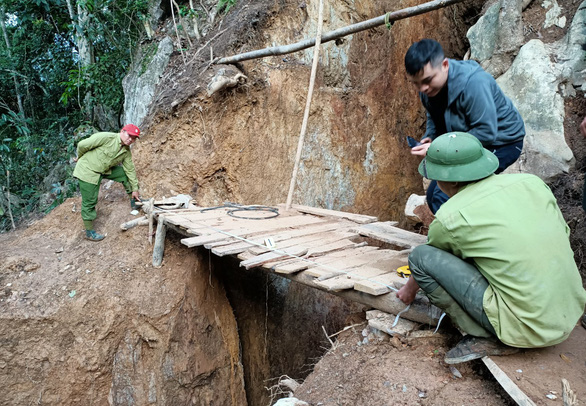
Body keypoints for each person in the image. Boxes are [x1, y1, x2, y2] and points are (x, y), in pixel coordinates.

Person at [396, 132, 586, 364]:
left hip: (527, 328)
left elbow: (428, 261)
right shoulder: (531, 182)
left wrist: (408, 291)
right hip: (569, 310)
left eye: (436, 176)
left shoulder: (450, 216)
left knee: (420, 257)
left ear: (452, 179)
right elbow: (562, 233)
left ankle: (488, 335)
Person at [405, 39, 525, 213]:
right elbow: (433, 114)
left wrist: (439, 148)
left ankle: (468, 235)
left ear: (445, 65)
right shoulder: (429, 89)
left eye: (427, 80)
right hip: (464, 141)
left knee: (444, 196)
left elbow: (486, 132)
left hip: (502, 142)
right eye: (416, 83)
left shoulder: (474, 83)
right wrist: (431, 135)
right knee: (434, 195)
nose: (422, 88)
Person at [73, 124, 142, 241]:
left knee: (125, 174)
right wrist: (80, 157)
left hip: (104, 170)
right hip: (88, 170)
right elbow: (82, 145)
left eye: (134, 138)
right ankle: (89, 232)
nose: (131, 139)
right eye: (129, 135)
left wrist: (135, 188)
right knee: (90, 201)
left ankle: (134, 201)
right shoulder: (106, 137)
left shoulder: (125, 150)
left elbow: (130, 169)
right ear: (122, 131)